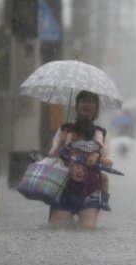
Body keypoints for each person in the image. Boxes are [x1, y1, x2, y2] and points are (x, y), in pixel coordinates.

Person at [48, 90, 111, 228]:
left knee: (87, 232)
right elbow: (51, 158)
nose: (87, 104)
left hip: (91, 190)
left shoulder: (101, 134)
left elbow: (109, 163)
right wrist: (61, 143)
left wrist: (97, 156)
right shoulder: (64, 130)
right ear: (76, 106)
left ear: (96, 109)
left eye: (91, 101)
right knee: (58, 231)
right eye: (83, 101)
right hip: (64, 189)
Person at [60, 119, 113, 211]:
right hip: (90, 180)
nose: (72, 136)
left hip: (73, 180)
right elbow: (108, 163)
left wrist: (63, 144)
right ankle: (104, 201)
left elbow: (63, 154)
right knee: (104, 178)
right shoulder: (94, 147)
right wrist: (97, 156)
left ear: (80, 135)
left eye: (74, 134)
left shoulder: (71, 146)